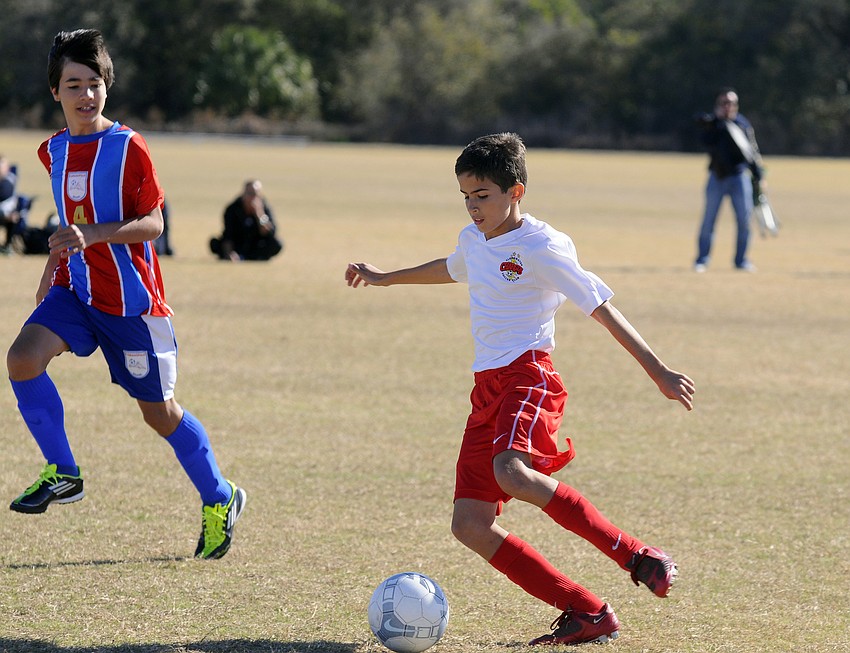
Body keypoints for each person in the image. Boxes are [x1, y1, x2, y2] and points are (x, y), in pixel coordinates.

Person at [345, 133, 695, 646]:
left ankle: (638, 554)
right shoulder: (473, 240)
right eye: (465, 196)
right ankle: (588, 612)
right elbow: (450, 267)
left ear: (516, 192)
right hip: (485, 389)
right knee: (469, 524)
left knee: (511, 472)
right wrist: (385, 278)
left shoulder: (543, 248)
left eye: (482, 195)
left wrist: (658, 370)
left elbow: (600, 307)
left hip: (530, 375)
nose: (472, 206)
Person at [6, 29, 246, 560]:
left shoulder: (128, 146)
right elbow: (72, 222)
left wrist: (96, 234)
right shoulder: (53, 151)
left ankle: (220, 496)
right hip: (77, 292)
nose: (86, 94)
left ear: (106, 87)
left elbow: (154, 223)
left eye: (95, 83)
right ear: (56, 92)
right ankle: (62, 471)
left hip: (131, 304)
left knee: (159, 414)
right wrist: (54, 262)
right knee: (22, 358)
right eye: (74, 84)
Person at [694, 87, 765, 272]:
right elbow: (706, 141)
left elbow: (752, 152)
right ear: (718, 105)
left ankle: (741, 260)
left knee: (744, 220)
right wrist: (718, 122)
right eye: (724, 103)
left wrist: (759, 175)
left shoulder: (742, 125)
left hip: (739, 178)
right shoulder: (713, 124)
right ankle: (702, 259)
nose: (728, 107)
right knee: (708, 221)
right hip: (716, 177)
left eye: (731, 103)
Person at [209, 180, 282, 261]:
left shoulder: (264, 208)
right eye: (250, 193)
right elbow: (228, 234)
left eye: (255, 194)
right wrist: (229, 253)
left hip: (256, 245)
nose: (252, 197)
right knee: (214, 243)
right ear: (243, 193)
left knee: (277, 244)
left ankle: (253, 258)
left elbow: (270, 232)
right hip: (238, 243)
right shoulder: (233, 208)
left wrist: (259, 214)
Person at [0, 155, 28, 253]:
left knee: (13, 216)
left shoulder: (8, 182)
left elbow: (6, 200)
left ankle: (7, 245)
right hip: (3, 213)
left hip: (6, 214)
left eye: (2, 166)